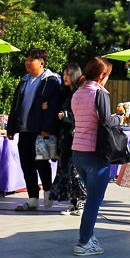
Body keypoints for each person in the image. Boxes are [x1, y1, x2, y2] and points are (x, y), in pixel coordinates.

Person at [71, 57, 122, 256]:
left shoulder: (78, 92)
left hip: (78, 152)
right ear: (102, 75)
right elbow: (106, 121)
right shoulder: (99, 93)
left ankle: (88, 236)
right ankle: (84, 242)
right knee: (94, 199)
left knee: (91, 195)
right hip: (95, 152)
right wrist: (119, 117)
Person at [7, 48, 61, 211]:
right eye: (27, 59)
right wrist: (11, 127)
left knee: (42, 163)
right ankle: (32, 199)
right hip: (24, 129)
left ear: (42, 63)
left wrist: (47, 129)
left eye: (32, 60)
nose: (27, 62)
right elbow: (15, 105)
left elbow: (53, 107)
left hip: (41, 131)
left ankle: (48, 192)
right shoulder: (24, 80)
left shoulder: (50, 81)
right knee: (26, 165)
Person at [53, 62, 86, 216]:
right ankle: (72, 203)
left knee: (76, 170)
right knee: (66, 169)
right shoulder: (65, 92)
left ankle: (81, 202)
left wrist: (65, 116)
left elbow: (81, 115)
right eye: (63, 73)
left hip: (76, 138)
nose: (64, 76)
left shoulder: (80, 92)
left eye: (67, 73)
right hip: (65, 137)